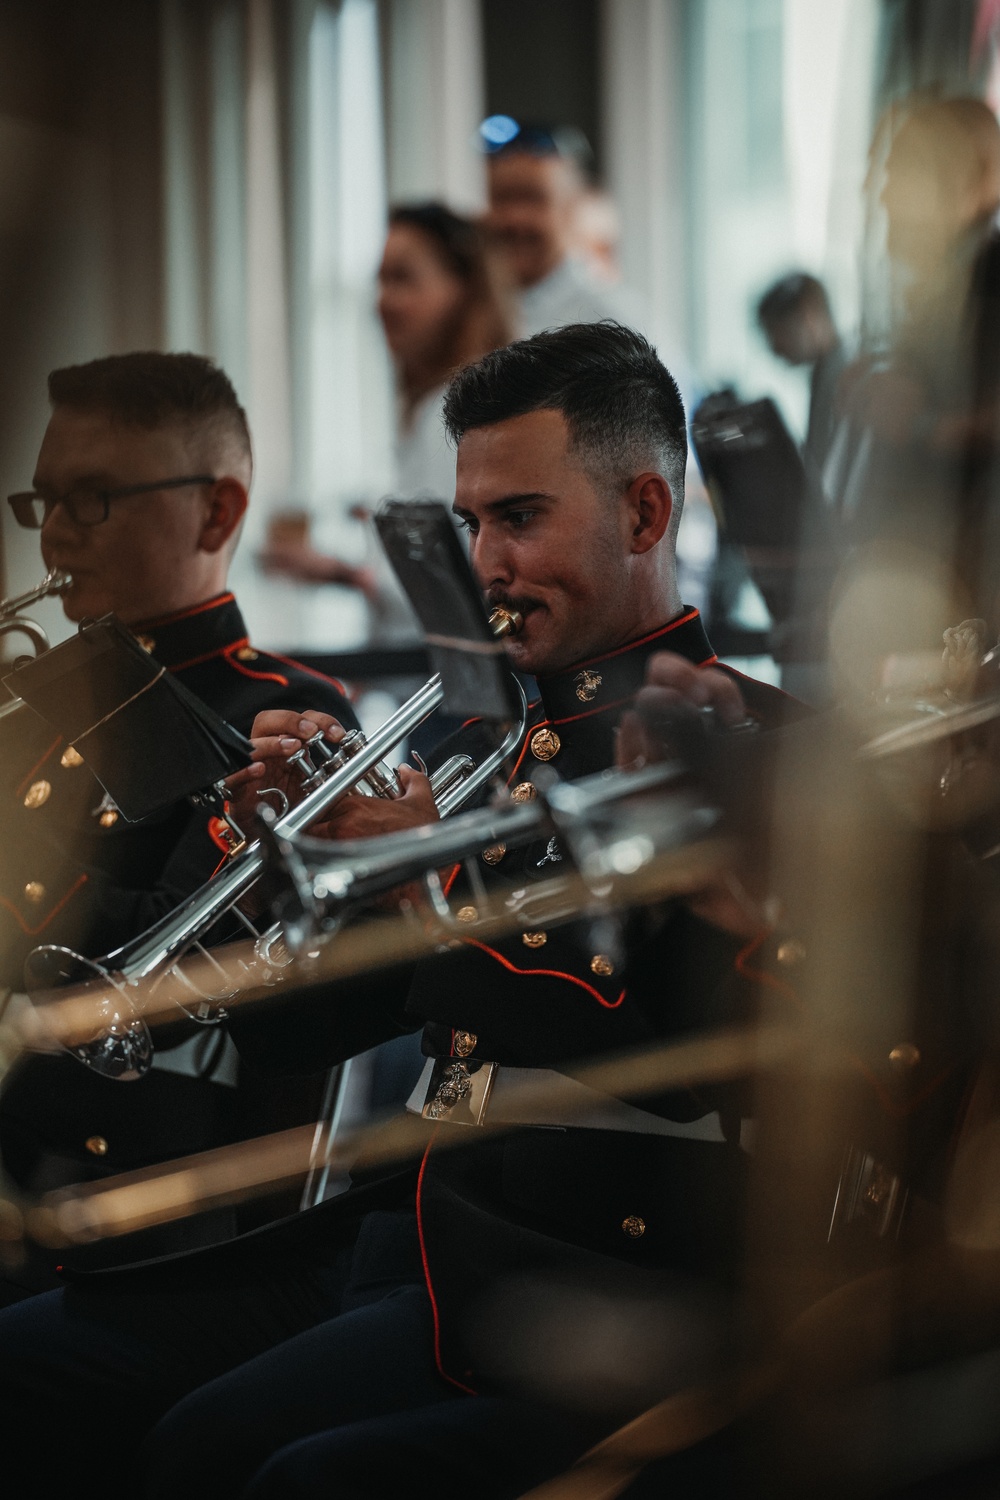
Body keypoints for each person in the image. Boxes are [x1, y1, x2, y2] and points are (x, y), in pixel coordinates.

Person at [0, 324, 800, 1498]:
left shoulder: (748, 745)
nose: (485, 564)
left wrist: (429, 885)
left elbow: (672, 1049)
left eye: (518, 517)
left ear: (643, 514)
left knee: (225, 1457)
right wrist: (280, 859)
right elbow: (288, 1037)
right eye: (471, 524)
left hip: (571, 1272)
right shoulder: (485, 742)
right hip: (408, 1240)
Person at [0, 352, 356, 1283]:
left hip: (121, 1201)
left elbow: (160, 992)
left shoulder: (284, 719)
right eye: (45, 503)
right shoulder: (34, 709)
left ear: (219, 509)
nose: (56, 540)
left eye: (95, 498)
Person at [260, 202, 513, 596]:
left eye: (402, 279)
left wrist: (337, 572)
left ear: (464, 289)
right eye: (381, 281)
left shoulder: (467, 415)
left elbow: (456, 580)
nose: (383, 301)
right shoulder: (430, 407)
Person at [484, 124, 645, 337]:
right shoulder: (469, 310)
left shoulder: (613, 324)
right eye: (502, 198)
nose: (513, 217)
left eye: (533, 198)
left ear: (573, 209)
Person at [756, 271, 846, 482]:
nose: (775, 348)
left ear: (808, 312)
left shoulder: (843, 378)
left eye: (777, 331)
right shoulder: (823, 373)